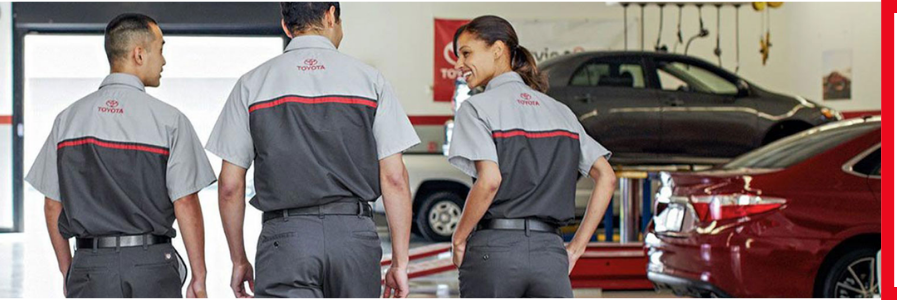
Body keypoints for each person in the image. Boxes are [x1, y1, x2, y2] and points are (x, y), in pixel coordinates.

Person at [205, 2, 419, 298]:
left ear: (285, 24)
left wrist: (238, 259)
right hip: (353, 239)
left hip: (285, 242)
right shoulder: (371, 82)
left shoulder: (252, 85)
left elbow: (229, 185)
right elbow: (395, 179)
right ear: (331, 15)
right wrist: (400, 262)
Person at [25, 13, 214, 298]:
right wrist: (198, 276)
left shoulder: (67, 120)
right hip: (152, 266)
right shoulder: (170, 121)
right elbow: (185, 201)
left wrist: (68, 270)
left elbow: (53, 205)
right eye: (160, 50)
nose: (163, 61)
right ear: (139, 54)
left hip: (90, 267)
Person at [446, 15, 617, 298]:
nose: (458, 64)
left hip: (494, 253)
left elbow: (489, 181)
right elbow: (607, 178)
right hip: (550, 254)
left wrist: (459, 237)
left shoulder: (476, 108)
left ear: (498, 49)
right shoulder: (562, 112)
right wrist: (576, 248)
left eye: (466, 53)